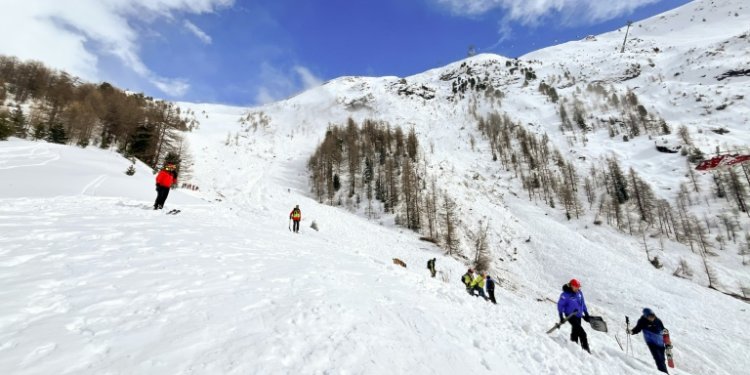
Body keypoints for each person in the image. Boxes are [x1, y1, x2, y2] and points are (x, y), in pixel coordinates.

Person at [628, 308, 669, 374]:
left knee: (662, 359)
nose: (652, 318)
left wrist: (666, 341)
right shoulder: (642, 321)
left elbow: (663, 330)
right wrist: (631, 332)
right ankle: (664, 373)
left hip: (660, 343)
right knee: (658, 359)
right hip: (652, 343)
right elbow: (637, 329)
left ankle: (664, 373)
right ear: (646, 316)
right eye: (650, 316)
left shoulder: (658, 321)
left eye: (653, 316)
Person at [557, 278, 591, 353]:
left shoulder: (579, 293)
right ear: (571, 286)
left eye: (579, 287)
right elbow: (560, 305)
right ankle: (587, 352)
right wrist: (561, 316)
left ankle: (573, 347)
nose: (578, 288)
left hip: (578, 315)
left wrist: (586, 313)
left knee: (575, 332)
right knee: (582, 333)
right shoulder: (565, 294)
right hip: (570, 315)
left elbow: (583, 304)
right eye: (576, 287)